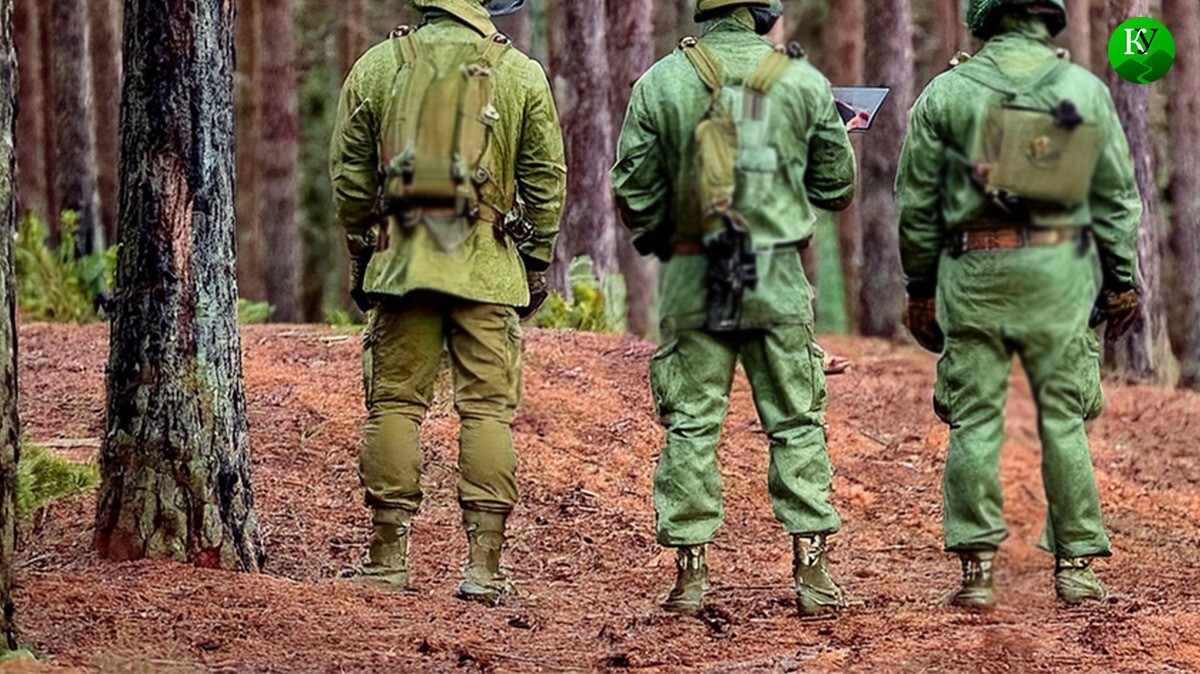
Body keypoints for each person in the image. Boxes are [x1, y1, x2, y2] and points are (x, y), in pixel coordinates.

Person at [612, 0, 857, 615]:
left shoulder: (660, 80)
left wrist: (669, 240)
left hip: (695, 274)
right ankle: (814, 575)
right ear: (761, 11)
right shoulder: (801, 81)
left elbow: (632, 189)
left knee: (691, 423)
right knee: (796, 421)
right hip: (773, 275)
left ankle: (690, 576)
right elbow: (836, 186)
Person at [896, 0, 1142, 608]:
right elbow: (1116, 202)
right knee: (1062, 418)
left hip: (974, 270)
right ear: (1047, 18)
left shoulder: (946, 94)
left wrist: (920, 289)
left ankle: (978, 574)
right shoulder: (1081, 88)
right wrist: (1121, 282)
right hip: (1060, 274)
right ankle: (1076, 567)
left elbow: (916, 206)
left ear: (985, 19)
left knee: (974, 418)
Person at [329, 0, 566, 605]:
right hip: (488, 269)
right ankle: (484, 569)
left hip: (403, 264)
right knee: (487, 412)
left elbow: (351, 176)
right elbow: (546, 181)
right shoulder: (519, 72)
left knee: (395, 407)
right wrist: (533, 262)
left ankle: (387, 560)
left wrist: (366, 250)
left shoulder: (380, 64)